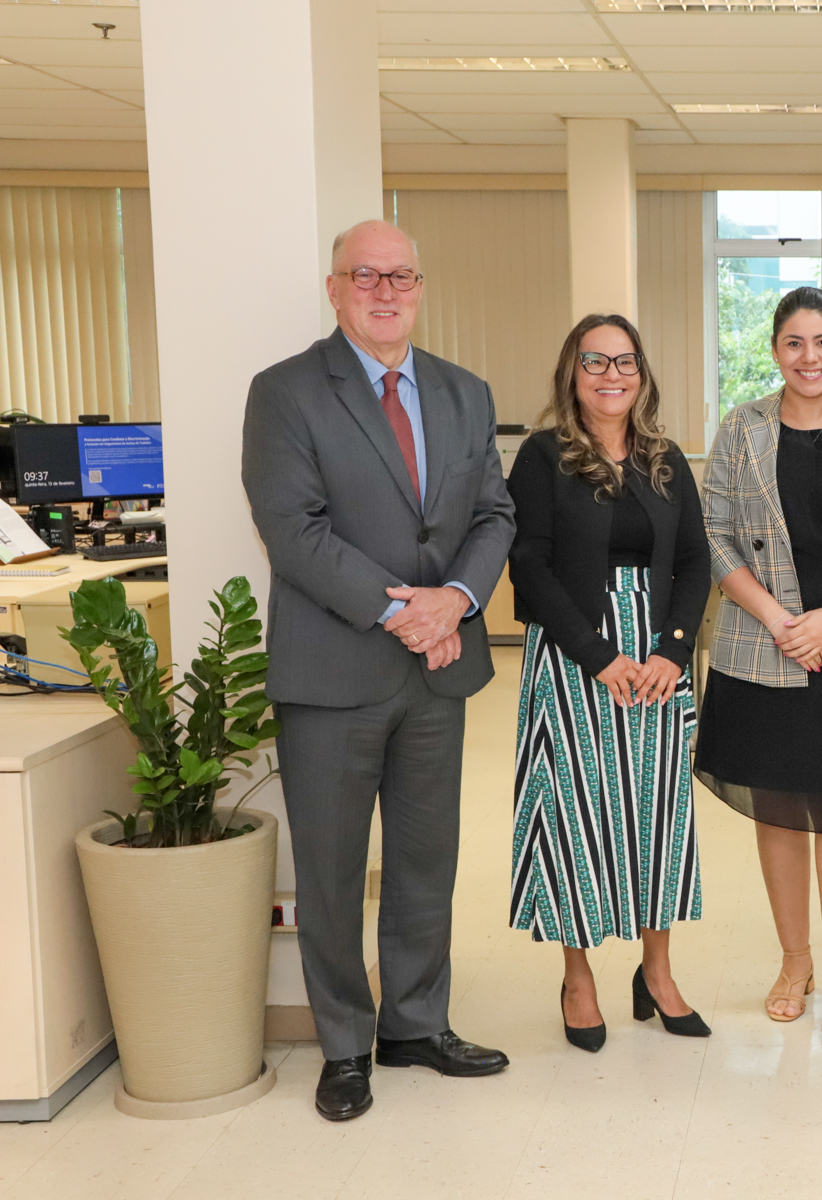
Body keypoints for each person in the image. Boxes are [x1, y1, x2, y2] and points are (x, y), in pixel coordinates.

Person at [242, 219, 516, 1122]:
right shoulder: (285, 393)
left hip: (439, 671)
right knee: (329, 867)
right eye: (367, 275)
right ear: (335, 289)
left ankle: (413, 1025)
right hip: (334, 671)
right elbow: (295, 530)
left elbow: (492, 517)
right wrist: (407, 610)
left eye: (402, 275)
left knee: (425, 862)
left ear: (421, 287)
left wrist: (459, 601)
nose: (386, 290)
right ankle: (343, 1047)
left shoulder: (463, 392)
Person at [694, 286, 822, 1049]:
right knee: (778, 807)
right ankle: (794, 964)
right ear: (775, 350)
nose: (809, 358)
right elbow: (711, 533)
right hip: (761, 646)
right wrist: (779, 619)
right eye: (793, 343)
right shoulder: (741, 430)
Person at [506, 313, 712, 1049]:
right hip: (574, 656)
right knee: (574, 816)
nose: (611, 375)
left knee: (656, 819)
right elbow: (527, 562)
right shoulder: (541, 456)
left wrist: (672, 652)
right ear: (572, 372)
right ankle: (578, 977)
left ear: (642, 373)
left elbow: (695, 559)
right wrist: (598, 655)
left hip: (656, 661)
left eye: (624, 362)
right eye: (594, 362)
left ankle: (656, 974)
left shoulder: (664, 458)